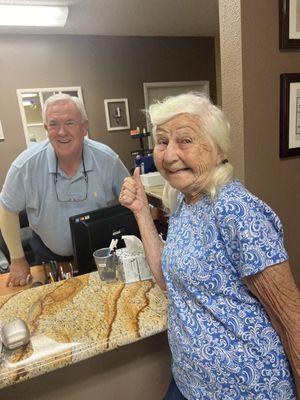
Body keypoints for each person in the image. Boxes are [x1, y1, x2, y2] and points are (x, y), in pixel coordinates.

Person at [119, 92, 300, 399]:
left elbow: (290, 315)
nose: (169, 154)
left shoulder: (235, 210)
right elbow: (168, 281)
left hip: (246, 387)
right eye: (162, 141)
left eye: (185, 140)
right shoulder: (184, 200)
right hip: (192, 381)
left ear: (217, 150)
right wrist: (141, 212)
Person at [0, 93, 129, 287]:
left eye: (70, 123)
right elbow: (7, 210)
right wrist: (17, 259)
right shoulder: (25, 166)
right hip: (46, 253)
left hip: (99, 250)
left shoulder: (108, 160)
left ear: (84, 127)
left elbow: (131, 202)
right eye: (53, 124)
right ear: (46, 129)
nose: (61, 132)